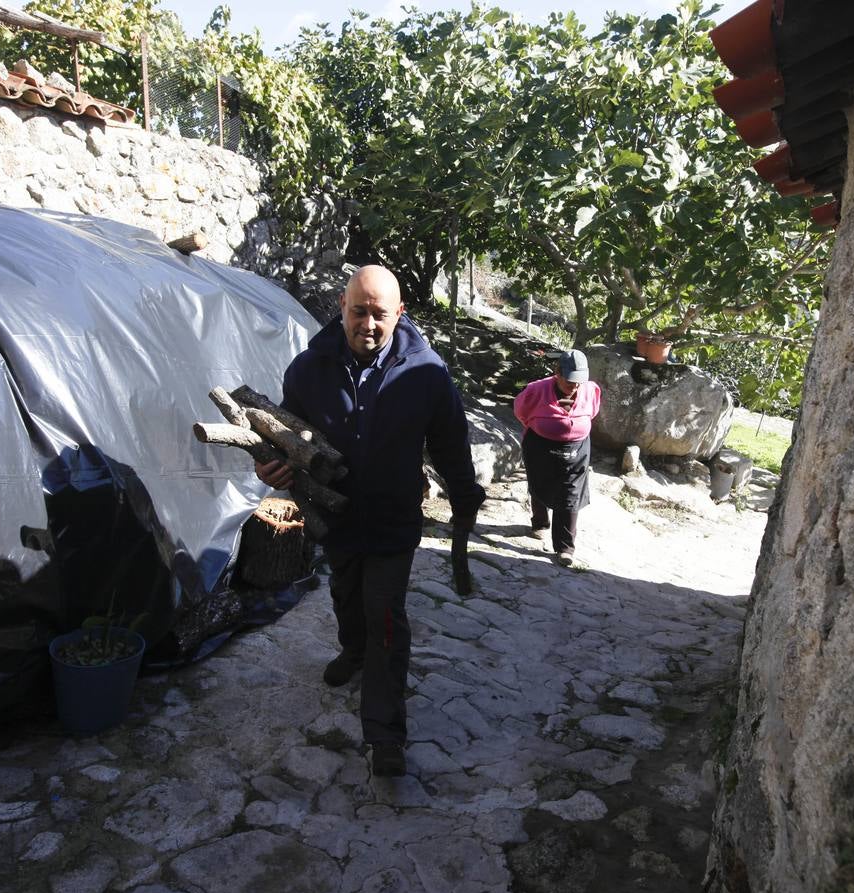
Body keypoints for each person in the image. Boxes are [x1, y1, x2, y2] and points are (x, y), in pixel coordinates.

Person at [254, 265, 484, 778]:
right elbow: (288, 435)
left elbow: (449, 443)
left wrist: (465, 494)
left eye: (380, 313)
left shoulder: (427, 374)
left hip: (391, 521)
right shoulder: (308, 369)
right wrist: (272, 463)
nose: (369, 324)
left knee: (385, 617)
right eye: (359, 311)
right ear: (342, 307)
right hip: (334, 515)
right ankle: (351, 651)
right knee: (345, 594)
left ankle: (385, 736)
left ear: (399, 313)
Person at [513, 349, 602, 566]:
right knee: (540, 482)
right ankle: (540, 523)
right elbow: (521, 412)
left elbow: (593, 411)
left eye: (579, 381)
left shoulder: (591, 390)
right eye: (570, 381)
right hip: (540, 445)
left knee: (570, 493)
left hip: (577, 449)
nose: (575, 386)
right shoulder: (536, 390)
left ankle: (565, 548)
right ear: (557, 373)